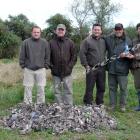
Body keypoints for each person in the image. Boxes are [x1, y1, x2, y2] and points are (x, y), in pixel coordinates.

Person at [19, 26, 50, 105]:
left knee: (41, 88)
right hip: (29, 69)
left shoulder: (44, 42)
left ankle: (40, 104)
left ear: (40, 33)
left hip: (41, 69)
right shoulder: (26, 42)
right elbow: (22, 54)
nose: (36, 34)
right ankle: (27, 104)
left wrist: (46, 65)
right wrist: (23, 65)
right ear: (31, 32)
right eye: (34, 32)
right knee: (28, 88)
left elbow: (47, 55)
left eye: (38, 32)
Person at [105, 23, 133, 111]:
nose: (118, 31)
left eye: (120, 29)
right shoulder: (109, 39)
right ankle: (112, 105)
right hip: (111, 68)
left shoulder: (128, 40)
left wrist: (128, 55)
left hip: (123, 69)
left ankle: (122, 105)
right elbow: (100, 37)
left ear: (123, 30)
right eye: (116, 29)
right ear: (114, 30)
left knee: (123, 89)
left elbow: (132, 52)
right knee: (112, 88)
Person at [49, 24, 77, 105]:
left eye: (62, 30)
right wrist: (52, 67)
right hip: (55, 71)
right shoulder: (51, 42)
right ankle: (59, 105)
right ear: (56, 31)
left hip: (67, 71)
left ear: (65, 31)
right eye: (59, 30)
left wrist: (70, 67)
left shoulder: (70, 42)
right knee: (56, 90)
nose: (60, 31)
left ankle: (68, 105)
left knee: (68, 90)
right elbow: (48, 57)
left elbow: (74, 56)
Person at [80, 23, 106, 106]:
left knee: (101, 87)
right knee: (90, 87)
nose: (97, 31)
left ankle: (99, 102)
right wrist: (86, 65)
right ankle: (88, 102)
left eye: (98, 30)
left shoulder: (103, 41)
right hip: (91, 67)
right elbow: (82, 54)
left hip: (102, 67)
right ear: (92, 30)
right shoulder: (86, 41)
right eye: (95, 29)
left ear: (101, 31)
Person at [130, 23, 140, 111]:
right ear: (137, 30)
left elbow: (135, 55)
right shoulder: (134, 40)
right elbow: (131, 51)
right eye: (139, 29)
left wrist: (135, 56)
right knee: (138, 87)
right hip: (136, 68)